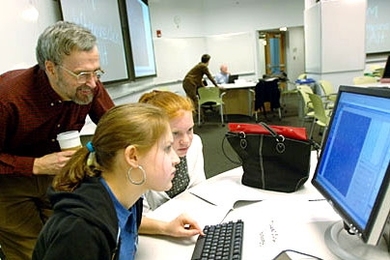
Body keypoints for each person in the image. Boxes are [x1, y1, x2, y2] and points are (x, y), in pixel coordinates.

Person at [0, 21, 115, 259]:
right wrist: (37, 165)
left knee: (67, 244)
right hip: (9, 183)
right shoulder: (8, 98)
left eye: (97, 73)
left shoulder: (88, 86)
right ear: (51, 68)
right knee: (30, 253)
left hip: (58, 177)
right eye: (83, 74)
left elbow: (115, 124)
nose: (93, 83)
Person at [32, 103, 203, 260]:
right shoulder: (82, 232)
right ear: (133, 156)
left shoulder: (125, 195)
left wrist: (165, 228)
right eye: (166, 149)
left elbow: (121, 221)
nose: (176, 159)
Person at [139, 90, 206, 211]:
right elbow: (137, 219)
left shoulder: (195, 143)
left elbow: (199, 187)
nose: (186, 141)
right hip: (157, 226)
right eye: (175, 133)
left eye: (190, 129)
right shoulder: (141, 159)